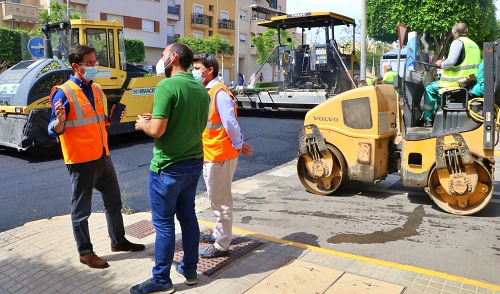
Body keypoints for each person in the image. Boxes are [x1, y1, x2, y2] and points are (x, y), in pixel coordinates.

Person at [48, 44, 145, 269]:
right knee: (81, 211)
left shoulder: (97, 89)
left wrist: (111, 119)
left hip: (103, 156)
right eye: (89, 64)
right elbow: (53, 128)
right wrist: (60, 120)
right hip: (81, 161)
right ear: (75, 66)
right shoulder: (63, 92)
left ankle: (118, 241)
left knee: (114, 202)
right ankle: (85, 253)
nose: (94, 66)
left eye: (94, 62)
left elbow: (97, 122)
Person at [131, 43, 209, 294]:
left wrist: (142, 124)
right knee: (188, 217)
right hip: (194, 162)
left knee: (164, 224)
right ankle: (190, 269)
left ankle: (161, 279)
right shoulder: (201, 88)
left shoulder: (166, 85)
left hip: (168, 167)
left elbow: (156, 130)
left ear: (173, 58)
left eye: (163, 55)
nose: (160, 59)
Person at [191, 53, 253, 258]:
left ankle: (222, 245)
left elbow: (230, 123)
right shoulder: (209, 91)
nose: (195, 72)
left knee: (221, 200)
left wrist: (239, 144)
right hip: (213, 152)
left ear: (210, 70)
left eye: (198, 68)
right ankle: (220, 234)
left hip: (219, 155)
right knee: (217, 198)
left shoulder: (219, 93)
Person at [422, 22, 481, 126]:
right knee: (439, 89)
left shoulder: (457, 42)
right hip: (471, 82)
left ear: (453, 33)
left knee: (429, 88)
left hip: (457, 83)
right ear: (467, 32)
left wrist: (441, 64)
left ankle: (428, 120)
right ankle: (439, 114)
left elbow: (451, 61)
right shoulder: (474, 45)